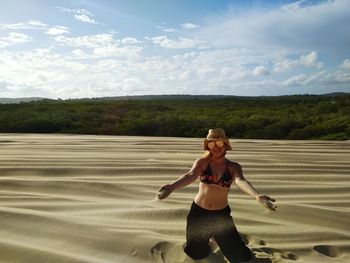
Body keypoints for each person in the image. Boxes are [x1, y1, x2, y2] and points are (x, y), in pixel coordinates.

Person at [157, 128, 277, 263]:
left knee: (240, 257)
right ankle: (210, 240)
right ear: (208, 145)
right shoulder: (202, 162)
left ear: (225, 144)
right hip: (198, 213)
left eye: (219, 143)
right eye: (211, 144)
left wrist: (257, 196)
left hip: (220, 216)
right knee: (196, 253)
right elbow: (191, 175)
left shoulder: (233, 166)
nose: (216, 147)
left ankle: (220, 238)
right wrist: (172, 187)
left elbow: (240, 180)